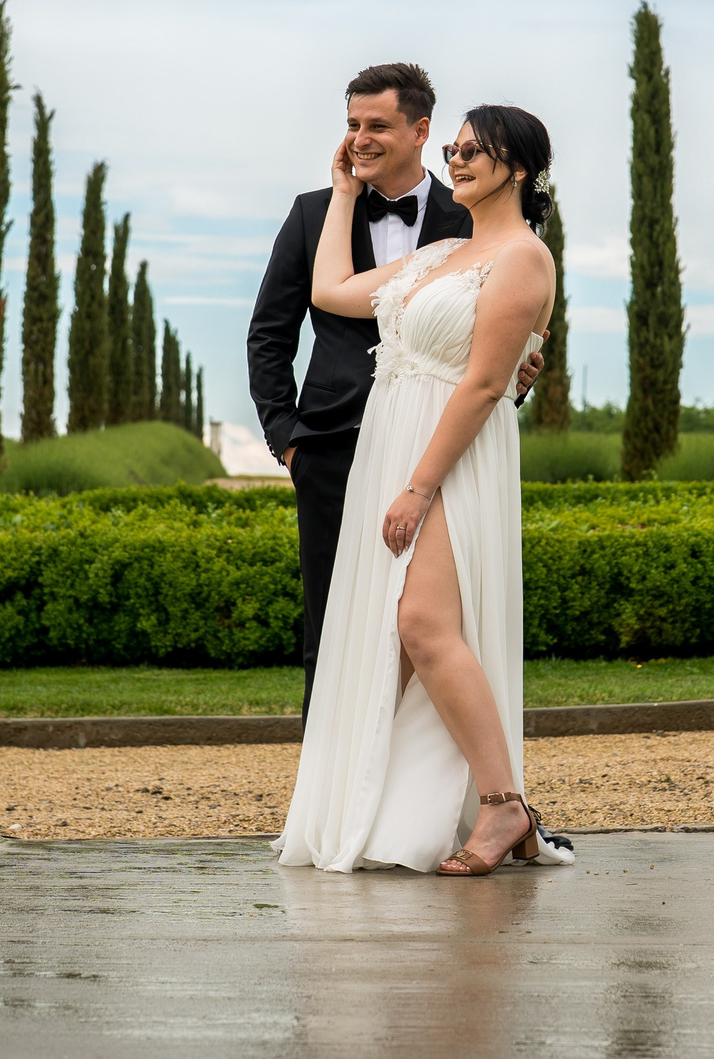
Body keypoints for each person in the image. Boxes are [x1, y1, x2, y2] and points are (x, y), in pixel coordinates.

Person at [275, 103, 571, 876]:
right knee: (391, 641)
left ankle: (505, 805)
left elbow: (480, 387)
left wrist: (418, 487)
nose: (460, 158)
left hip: (449, 457)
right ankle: (397, 809)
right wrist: (342, 191)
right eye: (456, 147)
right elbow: (333, 290)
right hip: (392, 445)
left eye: (477, 149)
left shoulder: (525, 258)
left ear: (518, 167)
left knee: (423, 625)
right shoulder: (441, 249)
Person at [247, 63, 538, 714]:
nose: (360, 138)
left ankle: (450, 790)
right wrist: (288, 440)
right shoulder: (312, 213)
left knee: (435, 622)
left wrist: (513, 386)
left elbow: (501, 349)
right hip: (332, 448)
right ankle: (338, 802)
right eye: (352, 124)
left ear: (420, 129)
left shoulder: (474, 218)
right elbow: (270, 333)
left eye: (378, 124)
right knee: (334, 625)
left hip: (439, 445)